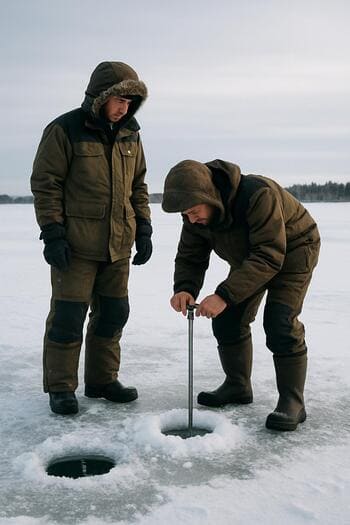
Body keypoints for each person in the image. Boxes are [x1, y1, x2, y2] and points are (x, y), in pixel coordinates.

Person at [31, 61, 152, 415]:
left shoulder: (131, 134)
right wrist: (53, 234)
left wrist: (143, 228)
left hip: (119, 245)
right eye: (118, 100)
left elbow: (138, 186)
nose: (123, 108)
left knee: (114, 313)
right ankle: (61, 387)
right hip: (76, 246)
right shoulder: (65, 129)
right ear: (100, 97)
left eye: (129, 102)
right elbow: (46, 184)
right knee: (68, 317)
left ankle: (101, 381)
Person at [162, 159, 320, 431]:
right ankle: (237, 386)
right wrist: (184, 288)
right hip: (251, 257)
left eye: (193, 211)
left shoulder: (258, 195)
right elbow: (191, 256)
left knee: (280, 323)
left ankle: (292, 402)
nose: (190, 219)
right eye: (185, 214)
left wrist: (224, 295)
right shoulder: (196, 215)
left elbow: (269, 255)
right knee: (227, 320)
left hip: (294, 252)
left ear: (208, 196)